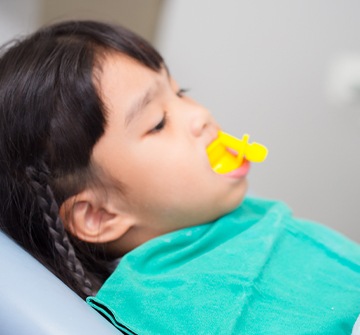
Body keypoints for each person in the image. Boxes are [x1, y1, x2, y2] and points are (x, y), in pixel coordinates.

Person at [0, 20, 359, 335]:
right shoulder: (170, 309)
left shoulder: (227, 218)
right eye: (158, 122)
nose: (201, 114)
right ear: (99, 215)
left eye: (181, 92)